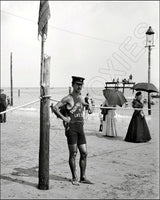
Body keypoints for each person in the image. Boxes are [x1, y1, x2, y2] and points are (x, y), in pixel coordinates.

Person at [52, 76, 93, 185]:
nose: (79, 86)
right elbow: (55, 108)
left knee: (84, 153)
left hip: (81, 128)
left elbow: (89, 109)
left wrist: (89, 105)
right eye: (77, 84)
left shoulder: (81, 98)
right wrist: (64, 118)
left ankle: (83, 177)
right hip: (72, 129)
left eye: (81, 85)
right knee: (73, 153)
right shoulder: (68, 98)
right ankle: (74, 177)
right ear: (73, 85)